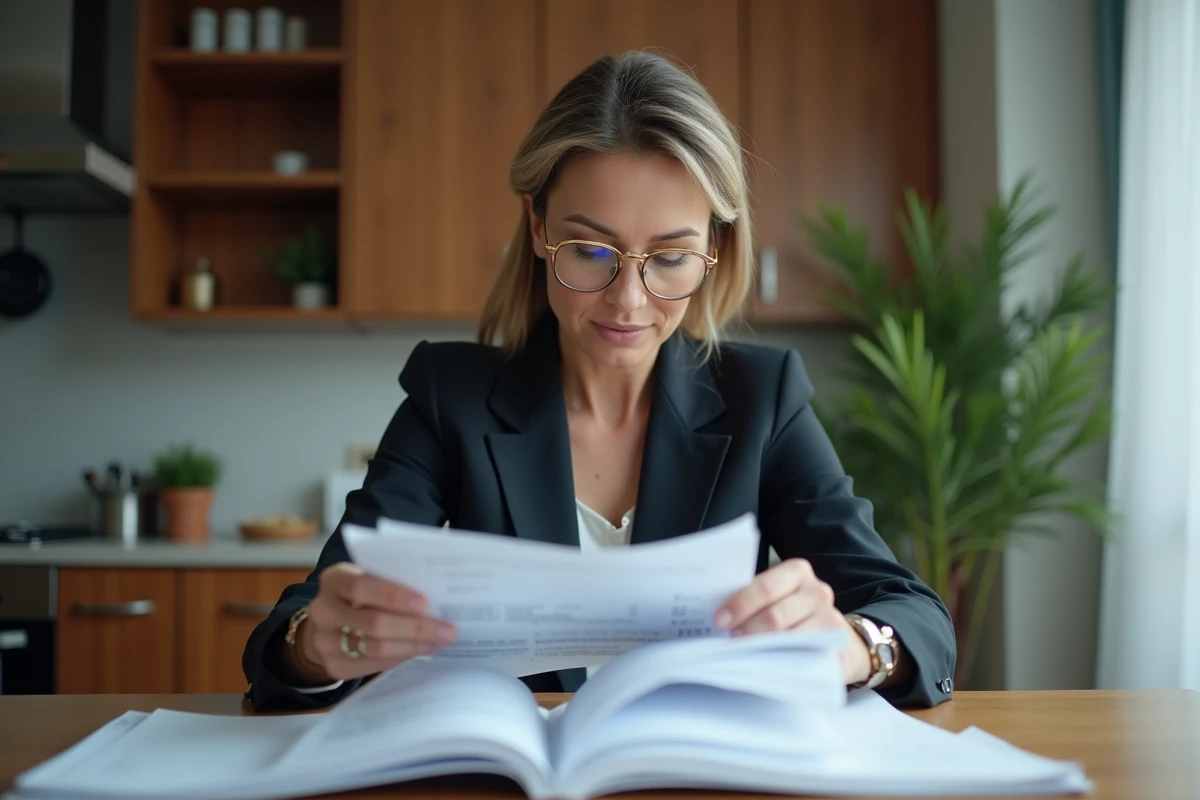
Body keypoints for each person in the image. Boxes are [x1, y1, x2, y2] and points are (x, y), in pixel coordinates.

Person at [242, 51, 956, 712]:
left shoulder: (760, 399)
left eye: (671, 258)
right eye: (590, 250)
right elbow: (291, 633)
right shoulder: (448, 397)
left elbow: (914, 615)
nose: (629, 301)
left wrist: (860, 646)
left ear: (714, 248)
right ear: (536, 227)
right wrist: (317, 645)